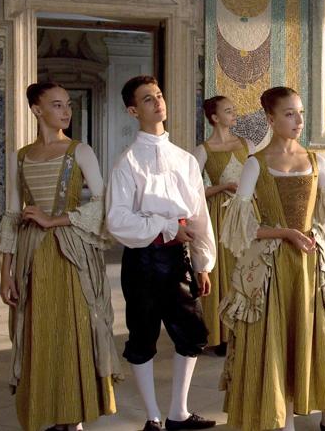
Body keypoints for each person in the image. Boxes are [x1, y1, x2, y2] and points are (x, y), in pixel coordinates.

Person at [219, 86, 325, 431]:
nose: (298, 120)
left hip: (312, 265)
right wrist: (284, 233)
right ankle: (281, 420)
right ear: (270, 119)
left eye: (300, 112)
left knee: (322, 336)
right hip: (271, 268)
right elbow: (240, 229)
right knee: (276, 338)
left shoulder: (317, 162)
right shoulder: (256, 164)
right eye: (289, 113)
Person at [0, 81, 119, 431]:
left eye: (67, 104)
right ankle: (44, 412)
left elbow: (103, 203)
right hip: (31, 255)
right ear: (37, 110)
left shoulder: (80, 151)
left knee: (74, 328)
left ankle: (74, 415)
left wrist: (55, 219)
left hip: (71, 253)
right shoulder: (20, 156)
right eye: (56, 105)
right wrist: (4, 274)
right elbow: (10, 214)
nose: (65, 111)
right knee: (38, 330)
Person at [106, 76, 216, 431]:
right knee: (142, 336)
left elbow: (199, 214)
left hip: (177, 260)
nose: (157, 102)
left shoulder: (184, 159)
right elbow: (118, 221)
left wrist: (202, 262)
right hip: (142, 261)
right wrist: (166, 226)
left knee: (192, 333)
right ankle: (152, 416)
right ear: (133, 110)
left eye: (159, 95)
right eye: (147, 99)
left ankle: (178, 413)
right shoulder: (127, 162)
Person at [193, 95, 255, 357]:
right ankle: (219, 336)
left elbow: (259, 177)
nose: (234, 114)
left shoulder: (246, 143)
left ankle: (247, 329)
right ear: (214, 117)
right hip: (219, 214)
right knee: (222, 273)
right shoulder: (202, 150)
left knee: (247, 268)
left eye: (234, 109)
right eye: (228, 111)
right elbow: (192, 191)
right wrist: (223, 187)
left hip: (248, 213)